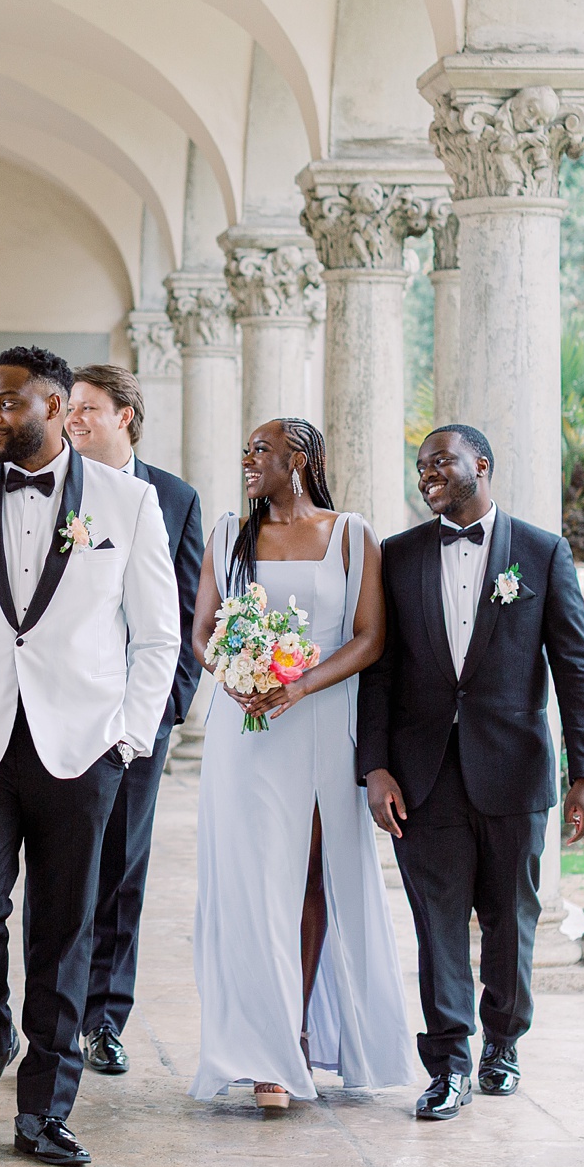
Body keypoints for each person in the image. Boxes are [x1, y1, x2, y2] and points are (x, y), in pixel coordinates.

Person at [0, 346, 179, 1167]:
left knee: (65, 930)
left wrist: (126, 737)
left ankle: (46, 1110)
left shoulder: (129, 504)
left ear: (56, 409)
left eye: (6, 405)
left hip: (82, 748)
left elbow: (156, 634)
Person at [359, 424, 584, 1120]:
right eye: (420, 465)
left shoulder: (541, 551)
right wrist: (374, 765)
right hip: (421, 774)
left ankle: (503, 1041)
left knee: (510, 919)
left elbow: (576, 668)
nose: (427, 472)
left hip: (514, 770)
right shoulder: (397, 555)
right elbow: (378, 672)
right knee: (436, 925)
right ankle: (449, 1062)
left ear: (482, 465)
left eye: (442, 460)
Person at [187, 419, 414, 1109]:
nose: (247, 460)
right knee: (252, 881)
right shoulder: (229, 534)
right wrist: (229, 671)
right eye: (245, 450)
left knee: (310, 874)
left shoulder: (351, 534)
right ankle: (267, 1049)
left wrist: (300, 683)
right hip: (246, 725)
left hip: (317, 718)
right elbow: (202, 630)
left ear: (301, 457)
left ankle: (296, 1033)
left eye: (259, 449)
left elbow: (371, 637)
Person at [62, 364, 203, 1078]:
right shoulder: (59, 488)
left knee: (123, 868)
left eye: (87, 408)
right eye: (69, 409)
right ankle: (57, 1007)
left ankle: (106, 1018)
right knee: (66, 867)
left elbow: (184, 610)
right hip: (64, 712)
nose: (73, 418)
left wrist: (164, 713)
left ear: (126, 415)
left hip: (139, 718)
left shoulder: (173, 496)